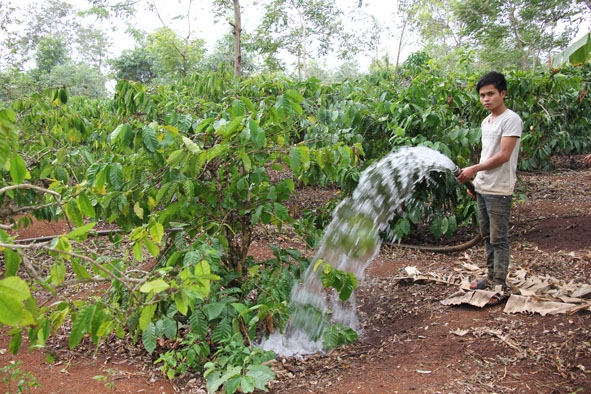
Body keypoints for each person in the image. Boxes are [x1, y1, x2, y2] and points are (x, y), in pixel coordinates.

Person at [456, 71, 523, 306]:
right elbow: (487, 154)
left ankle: (500, 285)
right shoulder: (487, 121)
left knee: (499, 238)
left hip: (500, 188)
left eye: (491, 94)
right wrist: (476, 182)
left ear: (502, 93)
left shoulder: (510, 119)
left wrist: (473, 169)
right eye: (482, 95)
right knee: (487, 235)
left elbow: (503, 156)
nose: (486, 99)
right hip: (484, 187)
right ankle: (491, 276)